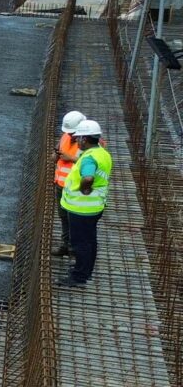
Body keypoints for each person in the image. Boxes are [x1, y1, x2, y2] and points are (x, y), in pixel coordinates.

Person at [58, 119, 112, 287]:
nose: (77, 140)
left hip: (82, 208)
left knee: (81, 243)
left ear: (85, 139)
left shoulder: (88, 158)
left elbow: (88, 177)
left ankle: (79, 277)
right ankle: (84, 270)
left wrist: (84, 188)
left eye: (79, 138)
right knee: (90, 241)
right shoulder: (102, 153)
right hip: (95, 207)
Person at [53, 110, 85, 257]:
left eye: (73, 133)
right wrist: (56, 155)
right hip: (60, 184)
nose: (71, 135)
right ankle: (65, 245)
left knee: (74, 218)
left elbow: (91, 163)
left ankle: (75, 247)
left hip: (75, 187)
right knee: (63, 217)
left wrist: (70, 158)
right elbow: (57, 152)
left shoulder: (89, 142)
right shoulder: (65, 136)